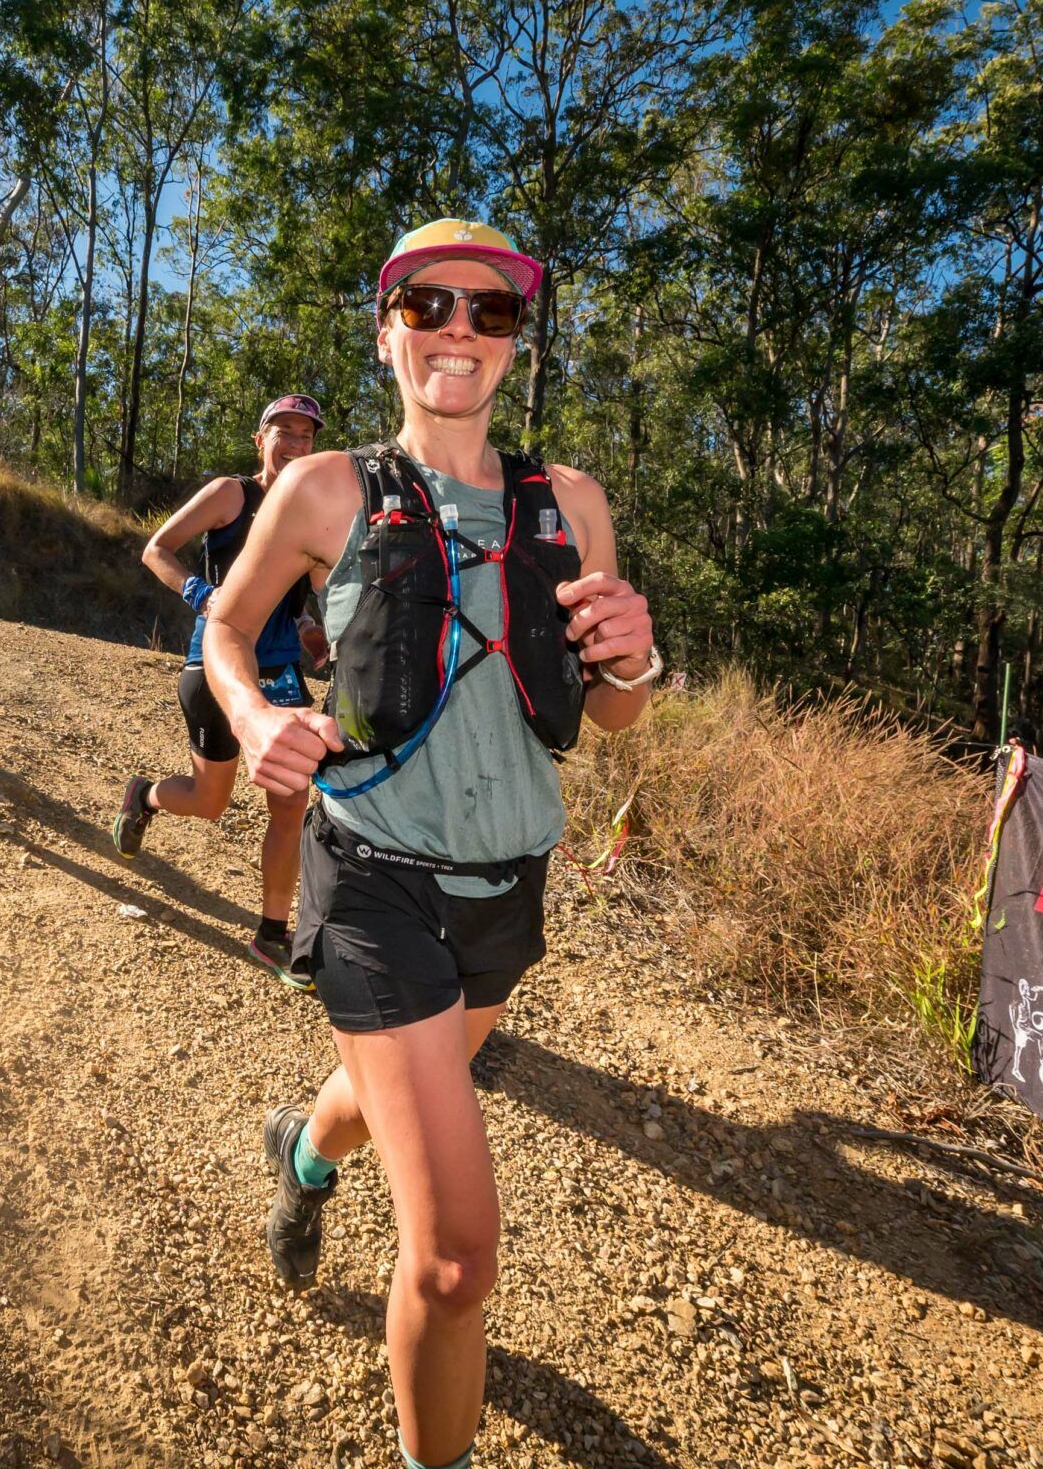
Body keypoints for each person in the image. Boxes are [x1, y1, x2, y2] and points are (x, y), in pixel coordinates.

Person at [203, 220, 662, 1469]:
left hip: (507, 887)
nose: (458, 328)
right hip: (370, 881)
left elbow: (610, 711)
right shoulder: (325, 488)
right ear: (387, 327)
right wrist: (251, 717)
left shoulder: (568, 503)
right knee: (457, 1256)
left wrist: (637, 658)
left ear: (514, 340)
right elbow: (228, 629)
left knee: (388, 1099)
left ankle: (297, 1152)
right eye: (428, 304)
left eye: (491, 310)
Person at [112, 394, 332, 985]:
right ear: (261, 440)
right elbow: (155, 549)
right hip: (215, 663)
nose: (295, 442)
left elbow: (306, 594)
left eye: (306, 436)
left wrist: (314, 631)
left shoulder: (312, 510)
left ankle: (272, 934)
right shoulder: (232, 494)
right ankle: (147, 796)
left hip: (281, 669)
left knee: (291, 801)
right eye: (282, 430)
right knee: (211, 804)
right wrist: (199, 596)